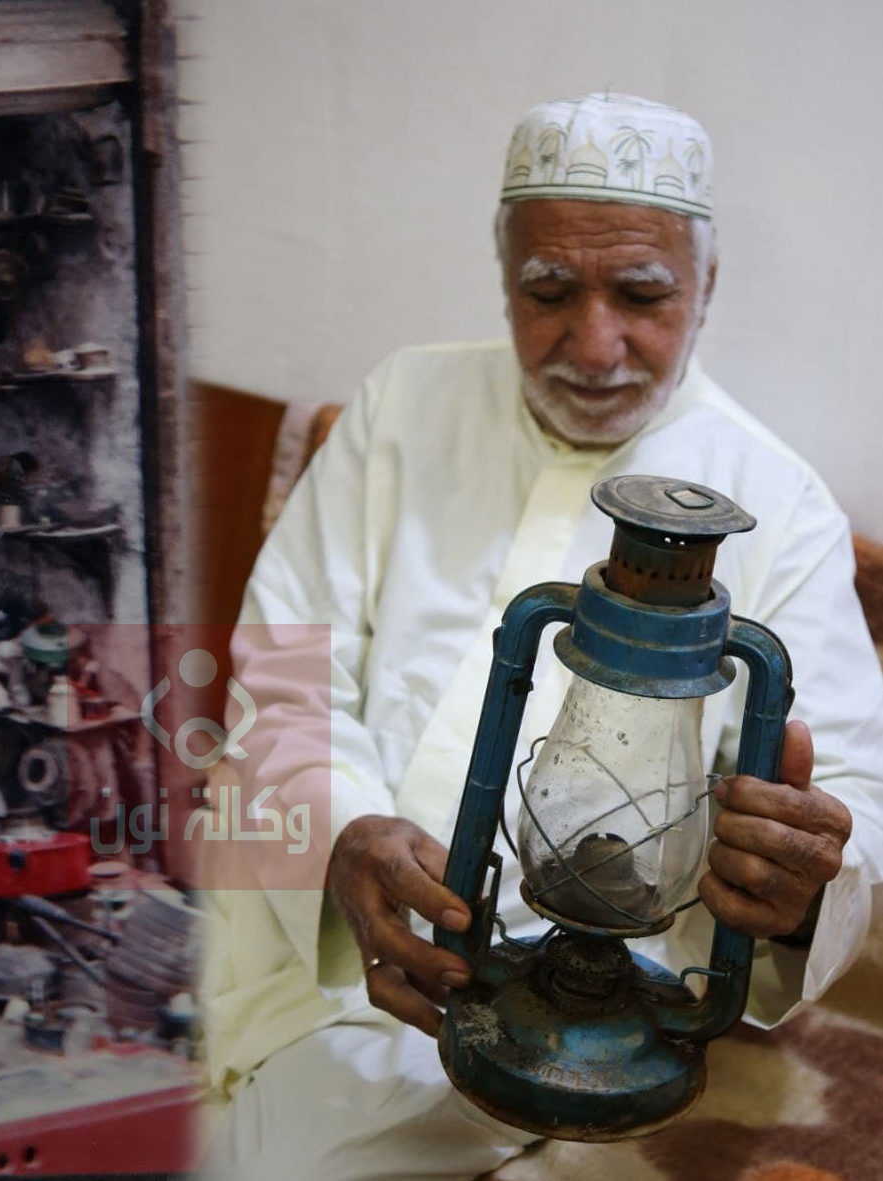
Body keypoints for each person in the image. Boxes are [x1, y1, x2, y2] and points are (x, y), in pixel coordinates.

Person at [199, 93, 883, 1181]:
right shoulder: (401, 404)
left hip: (577, 1013)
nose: (594, 343)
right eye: (549, 292)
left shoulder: (776, 502)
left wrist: (802, 879)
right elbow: (283, 674)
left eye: (643, 294)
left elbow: (849, 793)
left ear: (706, 290)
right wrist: (337, 836)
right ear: (504, 278)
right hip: (299, 927)